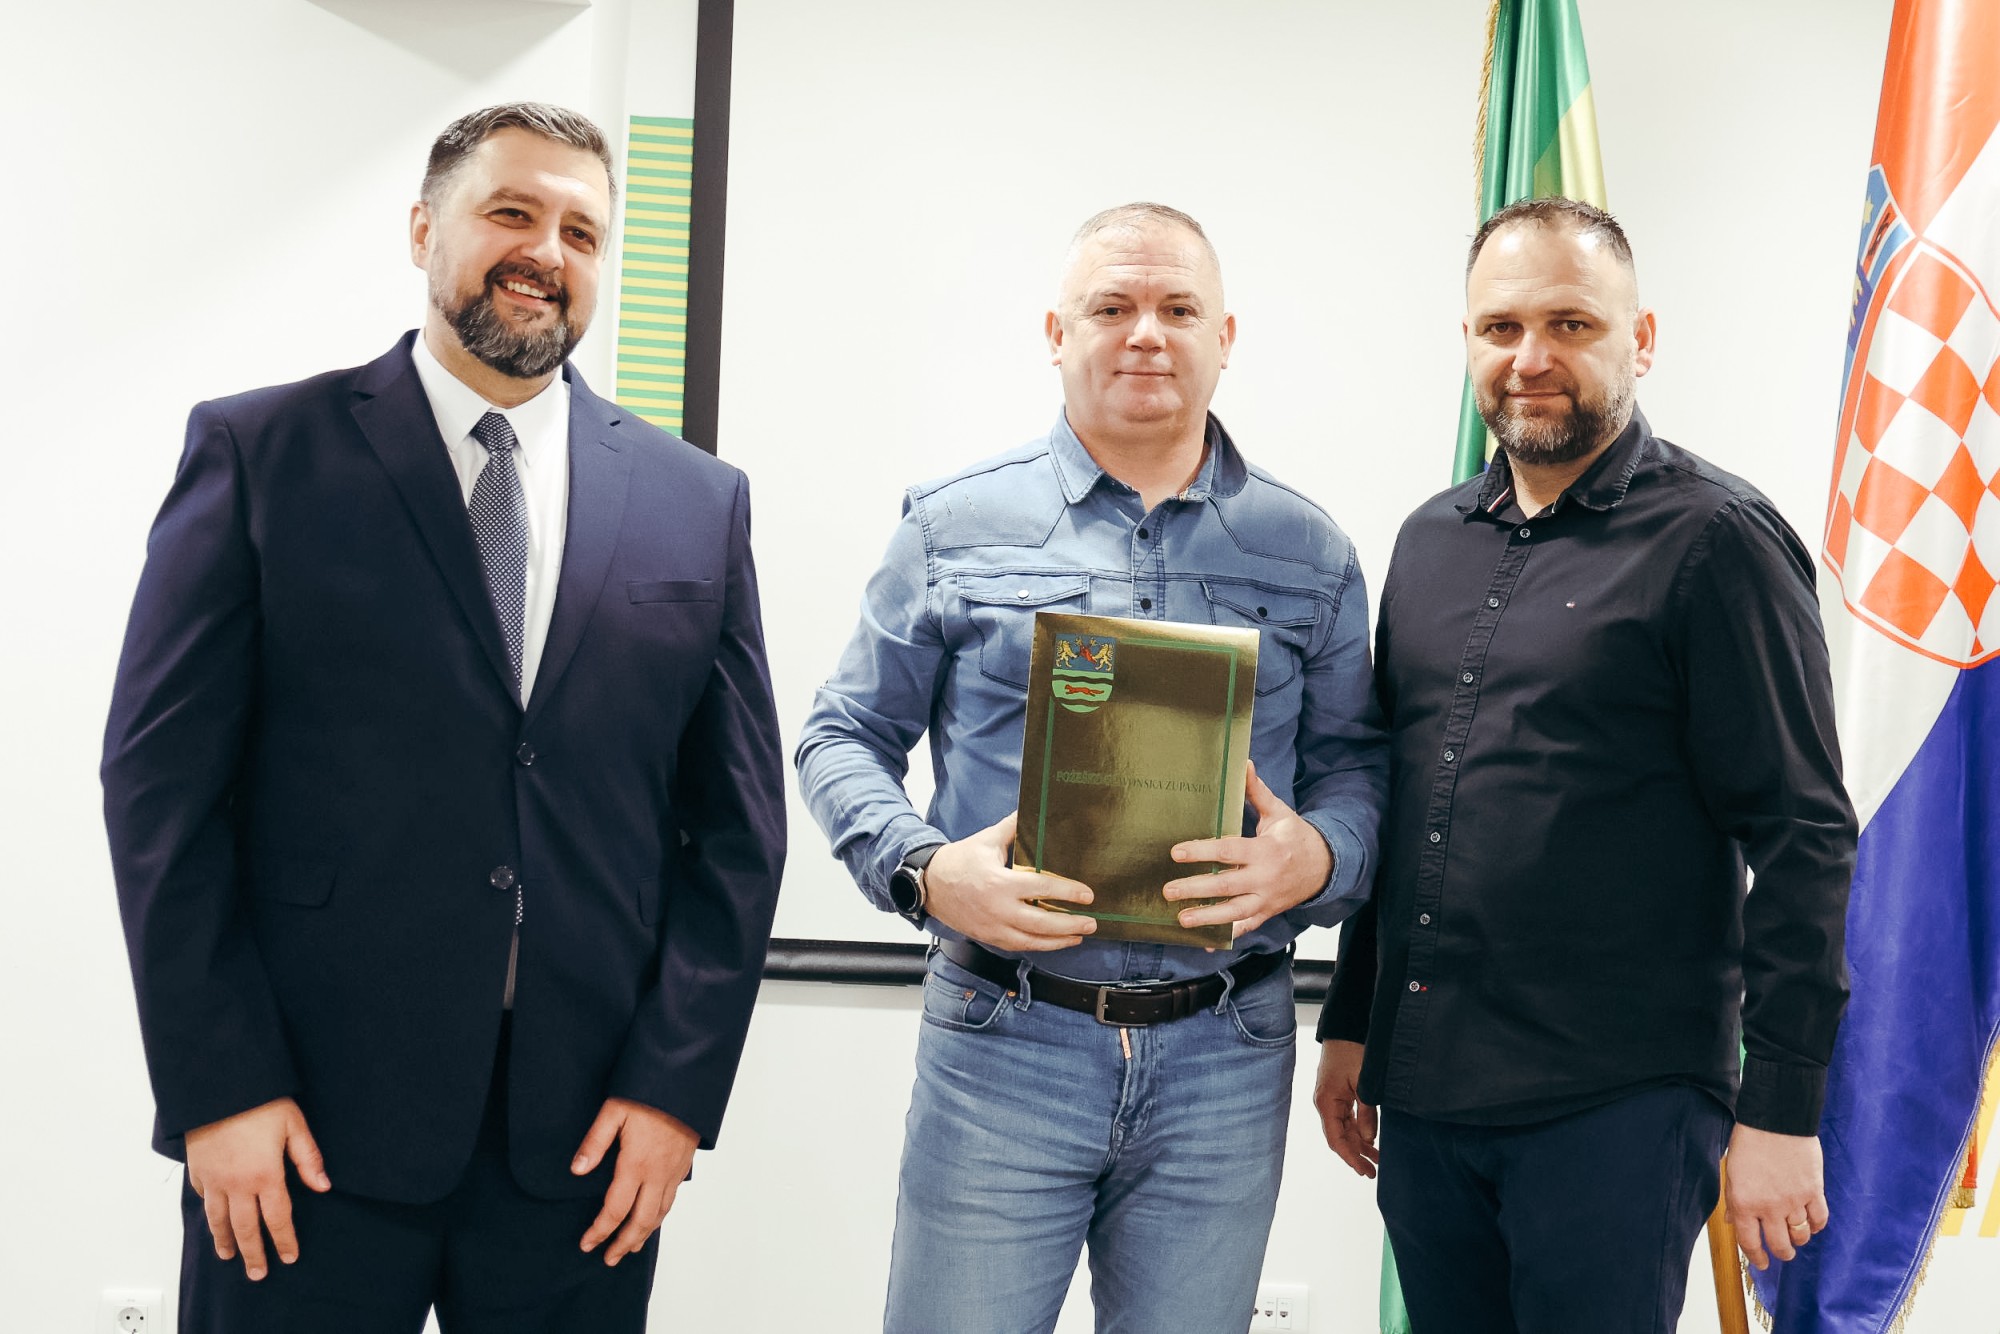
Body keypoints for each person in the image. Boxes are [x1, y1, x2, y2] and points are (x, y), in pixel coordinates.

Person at [101, 103, 785, 1333]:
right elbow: (161, 795)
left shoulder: (697, 499)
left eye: (581, 230)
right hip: (301, 1124)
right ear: (424, 228)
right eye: (511, 212)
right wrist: (219, 1084)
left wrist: (674, 1090)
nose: (546, 251)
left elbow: (736, 833)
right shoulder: (262, 452)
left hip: (583, 1140)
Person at [796, 202, 1388, 1334]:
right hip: (1003, 1037)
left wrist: (1318, 856)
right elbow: (840, 734)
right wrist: (926, 871)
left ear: (1225, 336)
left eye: (1178, 309)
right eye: (1112, 306)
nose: (1146, 333)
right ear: (1056, 331)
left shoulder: (1310, 553)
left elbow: (1358, 765)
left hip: (1227, 1050)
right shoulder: (952, 525)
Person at [1312, 197, 1856, 1331]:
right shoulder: (1428, 540)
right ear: (1468, 340)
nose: (1531, 359)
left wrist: (1782, 1110)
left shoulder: (1717, 541)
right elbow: (1408, 799)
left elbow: (1803, 836)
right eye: (1500, 328)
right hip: (1428, 1093)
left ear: (1639, 339)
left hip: (1617, 1102)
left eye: (1570, 324)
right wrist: (1354, 1020)